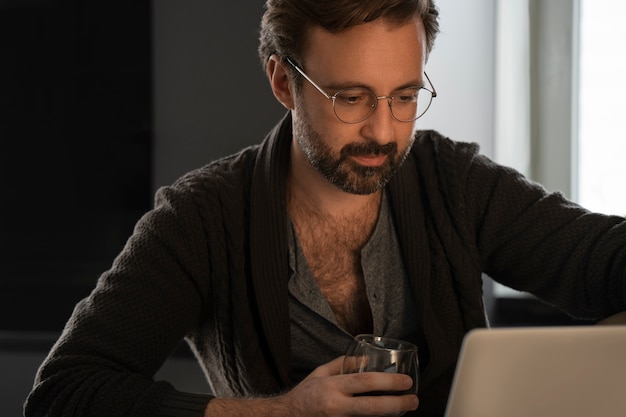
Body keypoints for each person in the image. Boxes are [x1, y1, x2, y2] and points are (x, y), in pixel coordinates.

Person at [24, 0, 626, 416]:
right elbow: (65, 392)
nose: (384, 132)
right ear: (284, 83)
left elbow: (600, 261)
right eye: (350, 97)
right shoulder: (199, 221)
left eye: (406, 96)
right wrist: (279, 412)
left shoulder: (453, 180)